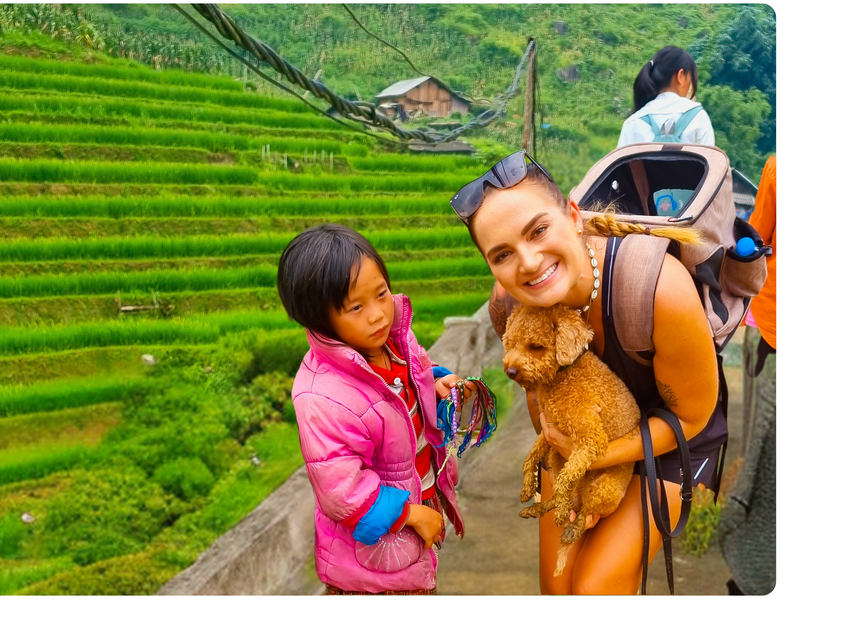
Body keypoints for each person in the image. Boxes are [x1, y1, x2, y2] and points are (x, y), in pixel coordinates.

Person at [453, 150, 726, 594]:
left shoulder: (660, 290)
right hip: (581, 433)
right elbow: (541, 399)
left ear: (574, 216)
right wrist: (576, 472)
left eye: (538, 230)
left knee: (594, 588)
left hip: (670, 437)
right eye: (503, 254)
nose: (528, 262)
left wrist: (597, 460)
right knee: (557, 587)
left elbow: (693, 417)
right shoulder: (509, 305)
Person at [277, 223, 474, 594]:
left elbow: (407, 381)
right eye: (356, 307)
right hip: (374, 563)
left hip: (417, 509)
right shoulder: (324, 396)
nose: (378, 315)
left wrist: (434, 382)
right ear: (319, 318)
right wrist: (410, 514)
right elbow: (342, 490)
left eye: (381, 294)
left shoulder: (393, 341)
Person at [719, 155, 776, 595]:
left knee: (762, 449)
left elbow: (754, 241)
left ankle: (753, 569)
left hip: (773, 331)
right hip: (773, 329)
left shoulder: (779, 170)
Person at [618, 46, 715, 148]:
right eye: (691, 80)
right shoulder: (698, 117)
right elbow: (709, 157)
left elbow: (620, 157)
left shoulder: (633, 122)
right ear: (681, 75)